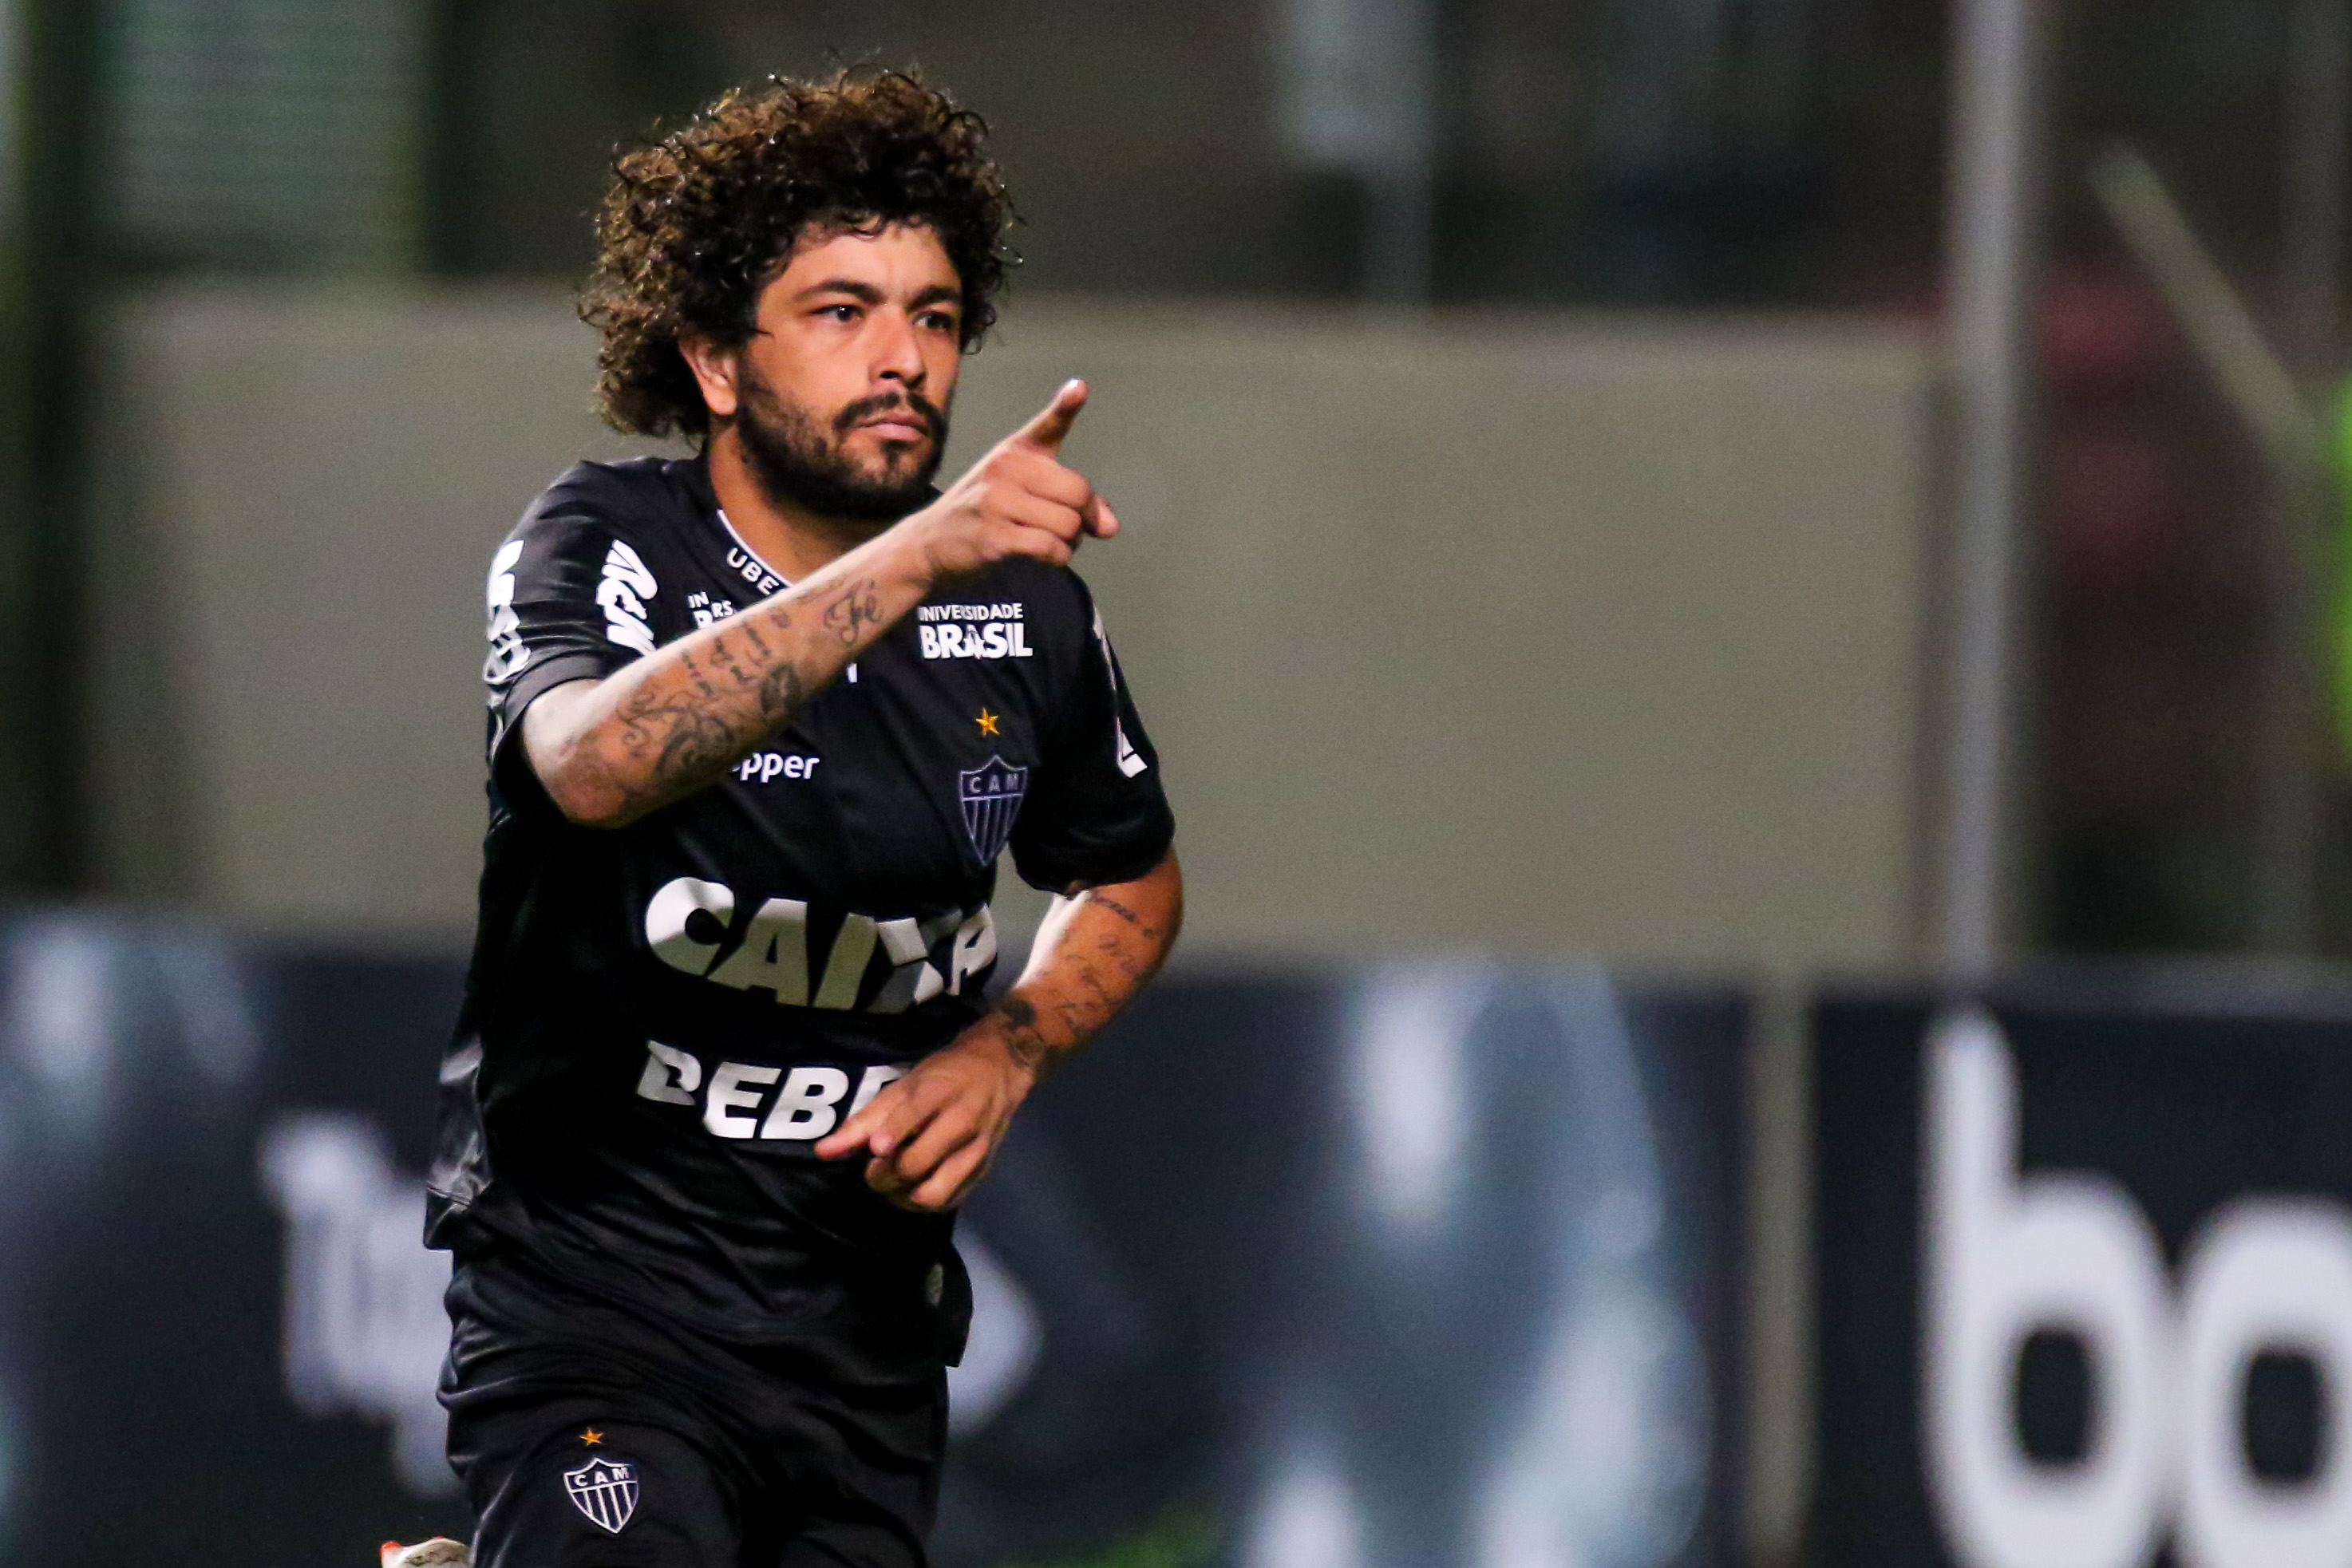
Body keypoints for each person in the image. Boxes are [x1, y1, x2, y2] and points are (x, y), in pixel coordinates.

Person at [407, 69, 1183, 1568]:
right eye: (841, 311)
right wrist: (914, 557)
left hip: (861, 1344)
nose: (903, 358)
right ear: (714, 360)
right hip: (594, 1306)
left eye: (935, 317)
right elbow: (588, 766)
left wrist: (1008, 1049)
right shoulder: (603, 539)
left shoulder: (1026, 614)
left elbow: (1132, 881)